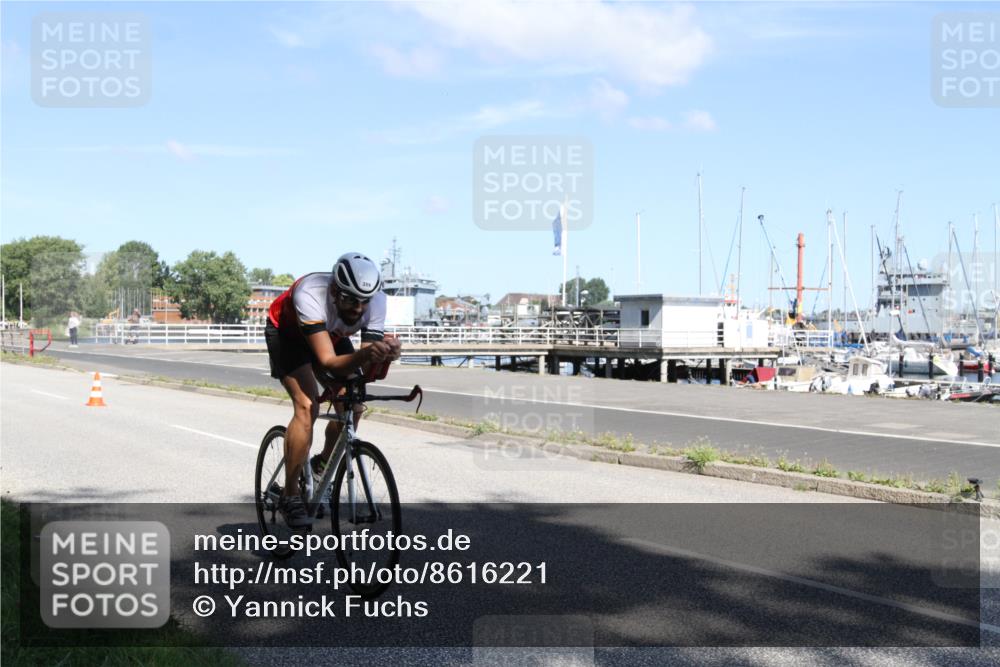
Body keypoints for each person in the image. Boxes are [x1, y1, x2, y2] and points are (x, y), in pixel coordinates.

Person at [265, 253, 401, 528]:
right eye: (351, 300)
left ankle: (320, 466)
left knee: (354, 403)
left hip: (331, 336)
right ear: (334, 290)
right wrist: (367, 356)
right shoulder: (310, 293)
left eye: (364, 301)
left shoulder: (376, 301)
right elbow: (328, 363)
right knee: (307, 406)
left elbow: (364, 359)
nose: (359, 308)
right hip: (288, 335)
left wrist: (386, 353)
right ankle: (290, 494)